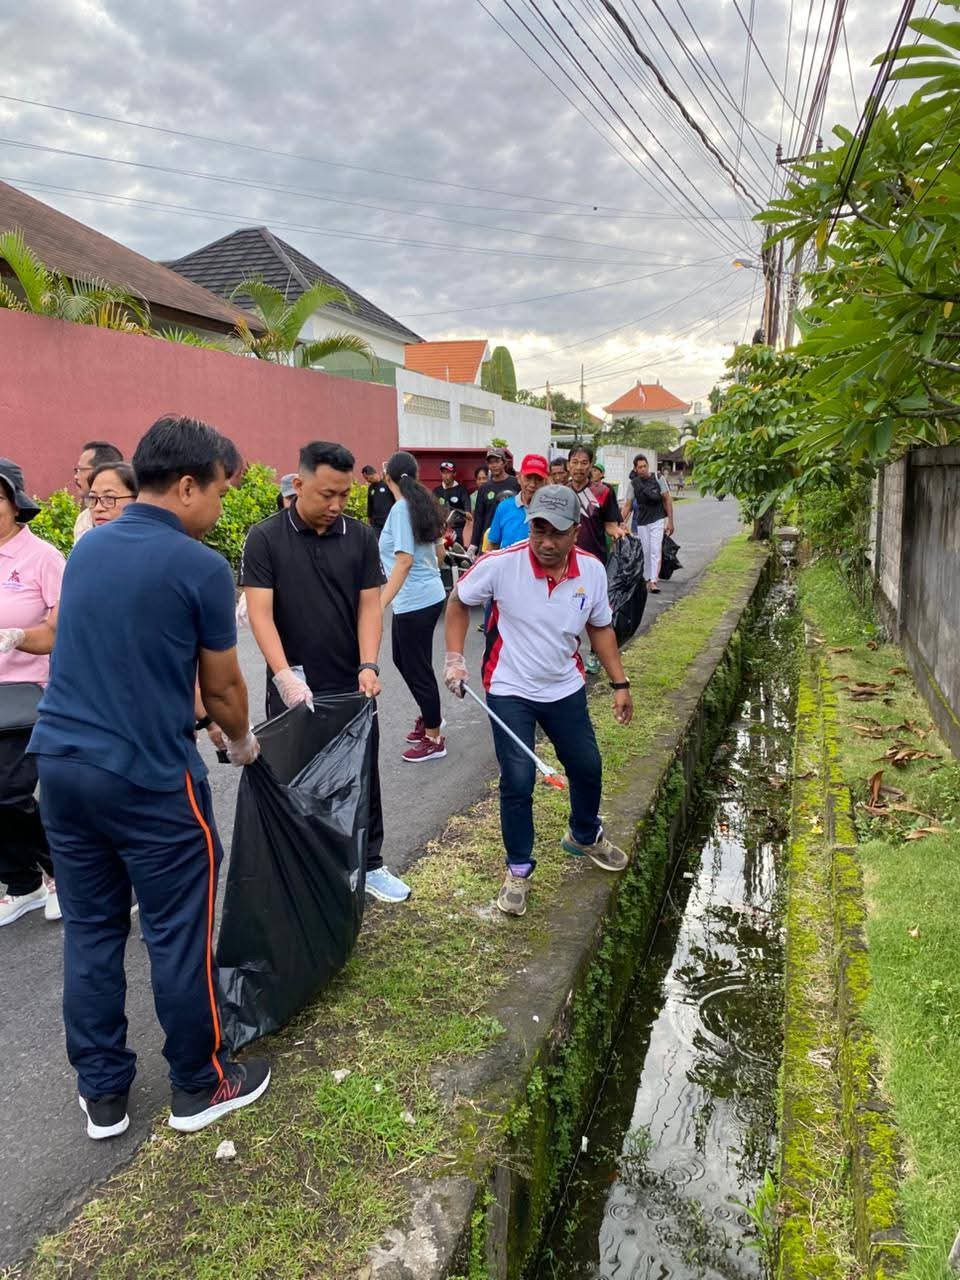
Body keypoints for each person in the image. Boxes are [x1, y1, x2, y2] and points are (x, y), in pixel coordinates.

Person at [28, 416, 268, 1140]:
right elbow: (224, 690)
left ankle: (103, 1095)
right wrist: (242, 741)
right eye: (221, 493)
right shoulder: (197, 565)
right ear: (188, 485)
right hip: (147, 779)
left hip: (62, 772)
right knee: (177, 931)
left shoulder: (91, 549)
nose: (222, 509)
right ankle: (200, 1084)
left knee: (93, 931)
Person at [443, 485, 633, 918]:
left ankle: (584, 835)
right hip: (509, 687)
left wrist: (620, 684)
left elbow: (600, 628)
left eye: (557, 533)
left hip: (564, 686)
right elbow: (459, 600)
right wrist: (454, 659)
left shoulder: (592, 571)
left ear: (575, 532)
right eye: (538, 531)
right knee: (518, 776)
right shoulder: (500, 565)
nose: (546, 543)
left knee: (586, 765)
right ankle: (518, 869)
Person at [241, 441, 411, 904]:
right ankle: (305, 871)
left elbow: (369, 606)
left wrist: (369, 664)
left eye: (344, 495)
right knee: (295, 779)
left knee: (361, 772)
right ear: (298, 485)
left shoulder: (357, 537)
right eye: (326, 494)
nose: (336, 505)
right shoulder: (265, 538)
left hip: (350, 684)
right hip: (292, 686)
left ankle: (370, 863)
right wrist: (283, 676)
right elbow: (260, 613)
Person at [0, 459, 65, 927]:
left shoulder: (42, 557)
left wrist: (19, 637)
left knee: (10, 791)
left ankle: (60, 873)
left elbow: (57, 631)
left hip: (26, 693)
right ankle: (19, 882)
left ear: (14, 504)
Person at [379, 452, 448, 764]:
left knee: (417, 667)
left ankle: (434, 737)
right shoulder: (422, 504)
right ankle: (429, 714)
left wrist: (379, 604)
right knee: (402, 659)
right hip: (425, 596)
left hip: (416, 600)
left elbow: (404, 561)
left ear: (388, 476)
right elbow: (441, 553)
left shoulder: (400, 508)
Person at [567, 444, 625, 673]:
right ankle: (567, 654)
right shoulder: (561, 492)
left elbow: (610, 525)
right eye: (575, 462)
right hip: (566, 562)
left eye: (584, 462)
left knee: (595, 611)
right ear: (568, 463)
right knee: (567, 608)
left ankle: (594, 654)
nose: (579, 467)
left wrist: (620, 535)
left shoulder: (603, 492)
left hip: (594, 562)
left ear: (591, 465)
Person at [625, 455, 674, 594]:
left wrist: (670, 521)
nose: (642, 469)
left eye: (644, 466)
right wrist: (619, 523)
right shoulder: (633, 484)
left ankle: (653, 581)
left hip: (657, 519)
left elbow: (667, 499)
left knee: (655, 550)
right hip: (642, 522)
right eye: (639, 467)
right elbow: (627, 505)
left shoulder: (658, 478)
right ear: (635, 469)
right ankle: (646, 579)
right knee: (645, 551)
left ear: (648, 466)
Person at [487, 454, 549, 550]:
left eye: (539, 480)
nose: (532, 484)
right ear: (519, 478)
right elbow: (493, 545)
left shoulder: (551, 510)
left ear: (546, 483)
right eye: (528, 478)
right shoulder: (504, 507)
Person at [468, 449, 519, 559]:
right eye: (491, 462)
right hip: (489, 541)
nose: (494, 465)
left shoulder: (516, 483)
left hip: (511, 539)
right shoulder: (484, 488)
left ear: (504, 462)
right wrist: (474, 545)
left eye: (497, 461)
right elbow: (479, 518)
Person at [73, 441, 122, 542]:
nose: (76, 477)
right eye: (76, 470)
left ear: (100, 470)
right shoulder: (83, 519)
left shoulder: (124, 514)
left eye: (81, 470)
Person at [84, 462, 139, 526]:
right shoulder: (85, 534)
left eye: (109, 498)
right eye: (92, 498)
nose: (97, 508)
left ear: (137, 499)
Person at [432, 461, 471, 538]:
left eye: (448, 473)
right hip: (440, 528)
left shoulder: (461, 490)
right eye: (443, 472)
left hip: (458, 528)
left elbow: (468, 513)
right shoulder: (436, 491)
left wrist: (463, 512)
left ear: (454, 474)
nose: (445, 475)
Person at [363, 464, 395, 536]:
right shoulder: (371, 488)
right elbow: (370, 505)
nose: (367, 481)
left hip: (388, 521)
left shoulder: (387, 484)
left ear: (373, 474)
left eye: (367, 478)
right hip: (376, 523)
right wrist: (369, 520)